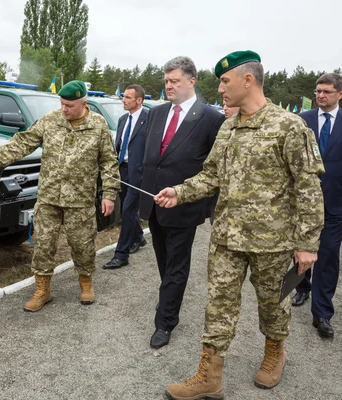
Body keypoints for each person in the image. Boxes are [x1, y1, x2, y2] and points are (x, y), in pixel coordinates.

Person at [155, 50, 325, 399]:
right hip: (226, 239)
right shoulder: (228, 127)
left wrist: (307, 243)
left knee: (273, 306)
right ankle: (209, 377)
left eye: (225, 81)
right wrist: (179, 192)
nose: (219, 89)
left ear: (248, 80)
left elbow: (308, 187)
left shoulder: (289, 127)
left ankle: (274, 354)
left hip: (272, 243)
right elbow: (211, 176)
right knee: (218, 307)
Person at [0, 80, 120, 312]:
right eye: (62, 104)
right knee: (43, 245)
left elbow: (109, 162)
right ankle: (43, 290)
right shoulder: (51, 120)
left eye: (69, 105)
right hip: (49, 198)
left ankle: (85, 283)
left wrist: (109, 194)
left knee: (82, 246)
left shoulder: (98, 125)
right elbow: (24, 142)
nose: (64, 109)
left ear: (83, 103)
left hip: (80, 201)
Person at [138, 56, 225, 349]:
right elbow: (152, 160)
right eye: (166, 81)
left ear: (192, 81)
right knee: (165, 263)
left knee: (177, 265)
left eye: (174, 81)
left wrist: (207, 204)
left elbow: (214, 169)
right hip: (153, 203)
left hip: (184, 207)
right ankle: (169, 298)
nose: (168, 86)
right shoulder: (156, 113)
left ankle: (165, 322)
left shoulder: (211, 118)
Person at [291, 73, 342, 339]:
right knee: (298, 248)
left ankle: (323, 313)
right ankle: (302, 287)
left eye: (327, 91)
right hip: (302, 201)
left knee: (328, 254)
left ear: (340, 93)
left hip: (338, 200)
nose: (321, 95)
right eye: (318, 91)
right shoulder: (300, 120)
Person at [103, 84, 148, 270]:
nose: (123, 100)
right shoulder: (123, 119)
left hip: (139, 173)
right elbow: (119, 145)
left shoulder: (150, 119)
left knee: (128, 211)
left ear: (139, 100)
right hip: (122, 170)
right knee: (126, 210)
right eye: (123, 96)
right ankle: (139, 237)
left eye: (128, 97)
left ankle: (121, 254)